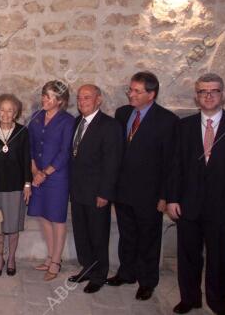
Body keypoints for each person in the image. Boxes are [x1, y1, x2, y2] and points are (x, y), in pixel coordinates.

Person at [167, 73, 225, 315]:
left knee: (220, 258)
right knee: (188, 256)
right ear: (196, 96)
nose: (209, 95)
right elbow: (175, 166)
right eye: (203, 91)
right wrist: (171, 198)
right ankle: (189, 298)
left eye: (214, 91)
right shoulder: (183, 126)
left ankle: (218, 301)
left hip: (224, 207)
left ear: (223, 95)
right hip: (188, 205)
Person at [107, 71, 179, 301]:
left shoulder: (167, 120)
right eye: (130, 89)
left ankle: (147, 281)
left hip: (150, 194)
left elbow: (171, 163)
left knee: (149, 238)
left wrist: (164, 196)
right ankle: (126, 272)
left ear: (151, 94)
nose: (131, 94)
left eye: (137, 91)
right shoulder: (122, 113)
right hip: (123, 190)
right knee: (127, 235)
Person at [67, 84, 122, 294]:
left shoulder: (110, 126)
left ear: (99, 100)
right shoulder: (76, 122)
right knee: (82, 233)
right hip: (78, 190)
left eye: (87, 97)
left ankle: (99, 275)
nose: (82, 101)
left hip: (97, 193)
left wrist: (105, 193)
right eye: (80, 98)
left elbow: (112, 163)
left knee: (98, 234)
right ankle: (87, 268)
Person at [27, 81, 75, 281]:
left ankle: (56, 261)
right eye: (44, 95)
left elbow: (65, 152)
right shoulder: (36, 117)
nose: (44, 100)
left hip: (57, 177)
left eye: (50, 97)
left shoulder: (68, 120)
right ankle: (49, 256)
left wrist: (44, 173)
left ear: (61, 101)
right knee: (43, 216)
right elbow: (29, 145)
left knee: (57, 218)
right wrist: (34, 170)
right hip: (37, 174)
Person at [0, 94, 32, 277]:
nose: (6, 113)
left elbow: (26, 159)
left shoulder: (22, 132)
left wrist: (27, 184)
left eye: (10, 110)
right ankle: (0, 258)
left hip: (15, 186)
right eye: (2, 110)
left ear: (16, 113)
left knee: (12, 226)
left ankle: (12, 258)